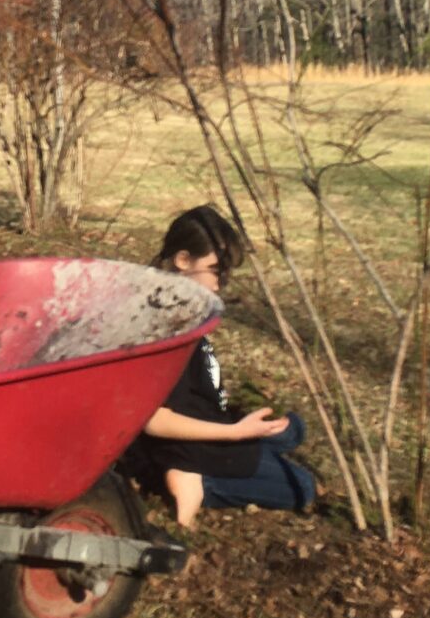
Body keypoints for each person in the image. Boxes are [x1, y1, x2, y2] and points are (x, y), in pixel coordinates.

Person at [128, 206, 317, 530]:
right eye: (215, 270)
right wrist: (235, 432)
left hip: (208, 422)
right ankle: (195, 480)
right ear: (183, 260)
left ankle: (226, 458)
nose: (218, 285)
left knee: (293, 430)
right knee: (303, 486)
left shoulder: (182, 304)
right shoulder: (162, 327)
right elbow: (155, 420)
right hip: (183, 445)